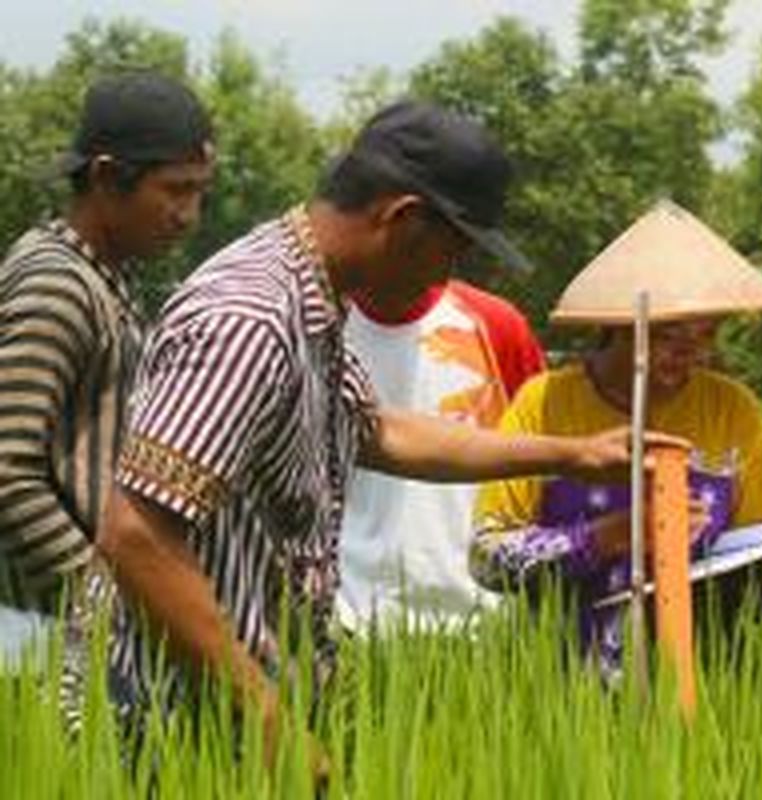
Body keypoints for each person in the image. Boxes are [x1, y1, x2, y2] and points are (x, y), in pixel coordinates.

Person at [96, 99, 640, 775]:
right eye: (453, 249)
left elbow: (377, 429)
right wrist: (265, 715)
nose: (449, 276)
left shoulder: (313, 300)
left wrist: (573, 454)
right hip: (183, 727)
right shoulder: (251, 318)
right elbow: (136, 532)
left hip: (249, 709)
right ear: (403, 218)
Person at [471, 200, 762, 680]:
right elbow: (487, 557)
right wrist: (608, 537)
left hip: (704, 680)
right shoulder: (546, 403)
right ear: (619, 328)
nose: (692, 354)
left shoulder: (732, 410)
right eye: (668, 336)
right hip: (562, 683)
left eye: (707, 335)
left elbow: (750, 577)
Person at [0, 72, 213, 667]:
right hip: (37, 638)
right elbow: (5, 469)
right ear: (103, 176)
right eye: (174, 190)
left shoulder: (101, 276)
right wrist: (101, 597)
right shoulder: (57, 284)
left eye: (200, 192)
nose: (188, 215)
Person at [338, 277, 545, 634]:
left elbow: (545, 462)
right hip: (348, 619)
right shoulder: (319, 326)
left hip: (483, 620)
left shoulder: (495, 325)